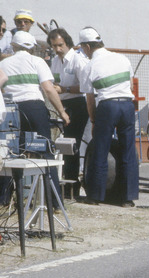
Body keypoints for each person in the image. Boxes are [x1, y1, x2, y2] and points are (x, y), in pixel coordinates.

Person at [0, 31, 70, 203]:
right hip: (34, 107)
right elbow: (48, 89)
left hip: (11, 108)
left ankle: (4, 198)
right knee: (45, 151)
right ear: (31, 47)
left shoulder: (4, 63)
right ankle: (53, 200)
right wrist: (62, 111)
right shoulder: (37, 61)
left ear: (14, 46)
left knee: (9, 153)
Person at [78, 27, 138, 206]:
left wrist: (94, 120)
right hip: (127, 105)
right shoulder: (122, 58)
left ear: (87, 46)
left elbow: (90, 98)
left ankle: (95, 196)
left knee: (100, 150)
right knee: (128, 151)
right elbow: (131, 86)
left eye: (82, 47)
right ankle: (128, 198)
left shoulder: (89, 66)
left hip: (108, 105)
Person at [48, 28, 89, 199]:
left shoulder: (78, 60)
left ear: (68, 43)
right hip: (61, 103)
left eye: (60, 45)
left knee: (73, 144)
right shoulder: (56, 61)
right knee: (62, 145)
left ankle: (73, 183)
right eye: (54, 46)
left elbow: (86, 87)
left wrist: (64, 89)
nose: (57, 49)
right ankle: (63, 182)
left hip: (77, 103)